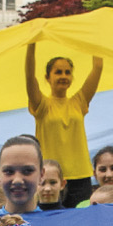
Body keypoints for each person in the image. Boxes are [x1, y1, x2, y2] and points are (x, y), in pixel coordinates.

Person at [22, 44, 103, 206]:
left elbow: (98, 67)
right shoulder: (41, 104)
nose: (63, 76)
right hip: (49, 178)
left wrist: (95, 38)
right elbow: (29, 75)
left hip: (80, 177)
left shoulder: (79, 101)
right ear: (47, 77)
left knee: (79, 225)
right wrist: (32, 44)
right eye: (58, 72)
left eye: (68, 72)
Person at [0, 136, 45, 215]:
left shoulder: (55, 224)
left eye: (27, 171)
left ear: (41, 175)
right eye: (9, 171)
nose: (17, 180)